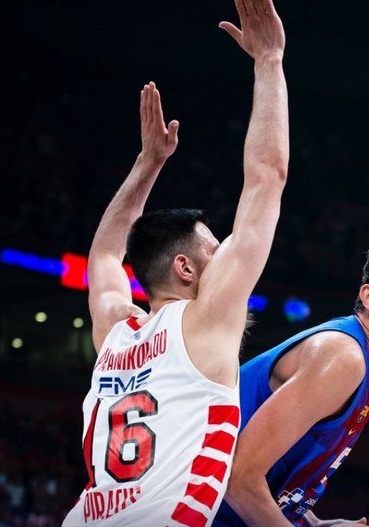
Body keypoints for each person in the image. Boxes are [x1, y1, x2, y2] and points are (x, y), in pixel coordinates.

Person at [62, 1, 288, 525]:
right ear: (186, 269)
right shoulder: (206, 318)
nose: (225, 251)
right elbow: (266, 177)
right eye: (214, 247)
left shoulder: (116, 332)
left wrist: (148, 163)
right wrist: (270, 60)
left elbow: (105, 254)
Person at [214, 237, 369, 526]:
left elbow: (278, 480)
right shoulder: (344, 358)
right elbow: (239, 479)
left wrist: (316, 524)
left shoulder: (362, 371)